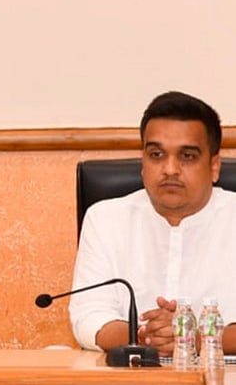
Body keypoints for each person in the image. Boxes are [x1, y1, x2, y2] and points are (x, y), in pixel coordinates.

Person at [69, 91, 236, 356]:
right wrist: (146, 336)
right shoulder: (105, 219)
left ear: (214, 166)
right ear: (143, 162)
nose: (170, 169)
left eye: (188, 156)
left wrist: (194, 338)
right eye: (157, 154)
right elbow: (89, 319)